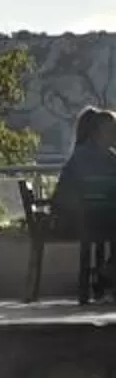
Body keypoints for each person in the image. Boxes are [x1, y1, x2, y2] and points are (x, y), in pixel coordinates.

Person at [59, 106, 116, 304]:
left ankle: (106, 274)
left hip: (85, 218)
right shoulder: (108, 159)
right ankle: (107, 273)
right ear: (99, 132)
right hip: (90, 221)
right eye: (113, 130)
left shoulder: (80, 156)